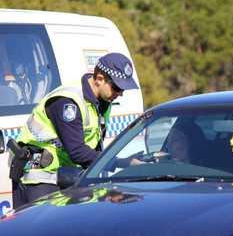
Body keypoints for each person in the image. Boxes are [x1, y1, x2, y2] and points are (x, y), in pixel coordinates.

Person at [9, 52, 141, 209]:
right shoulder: (68, 102)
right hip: (39, 180)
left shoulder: (99, 102)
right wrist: (119, 161)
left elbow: (94, 146)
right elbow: (78, 151)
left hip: (64, 178)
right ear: (99, 79)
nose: (120, 94)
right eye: (117, 87)